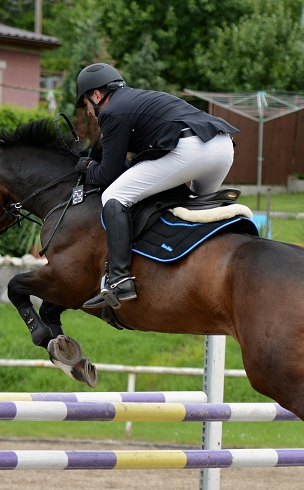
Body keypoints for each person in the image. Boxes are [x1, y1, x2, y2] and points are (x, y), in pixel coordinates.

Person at [74, 63, 240, 310]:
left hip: (192, 148)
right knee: (192, 208)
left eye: (86, 104)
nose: (89, 112)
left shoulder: (112, 111)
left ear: (97, 95)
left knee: (115, 196)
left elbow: (109, 174)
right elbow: (132, 163)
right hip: (222, 146)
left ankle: (119, 279)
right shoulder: (138, 99)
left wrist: (87, 168)